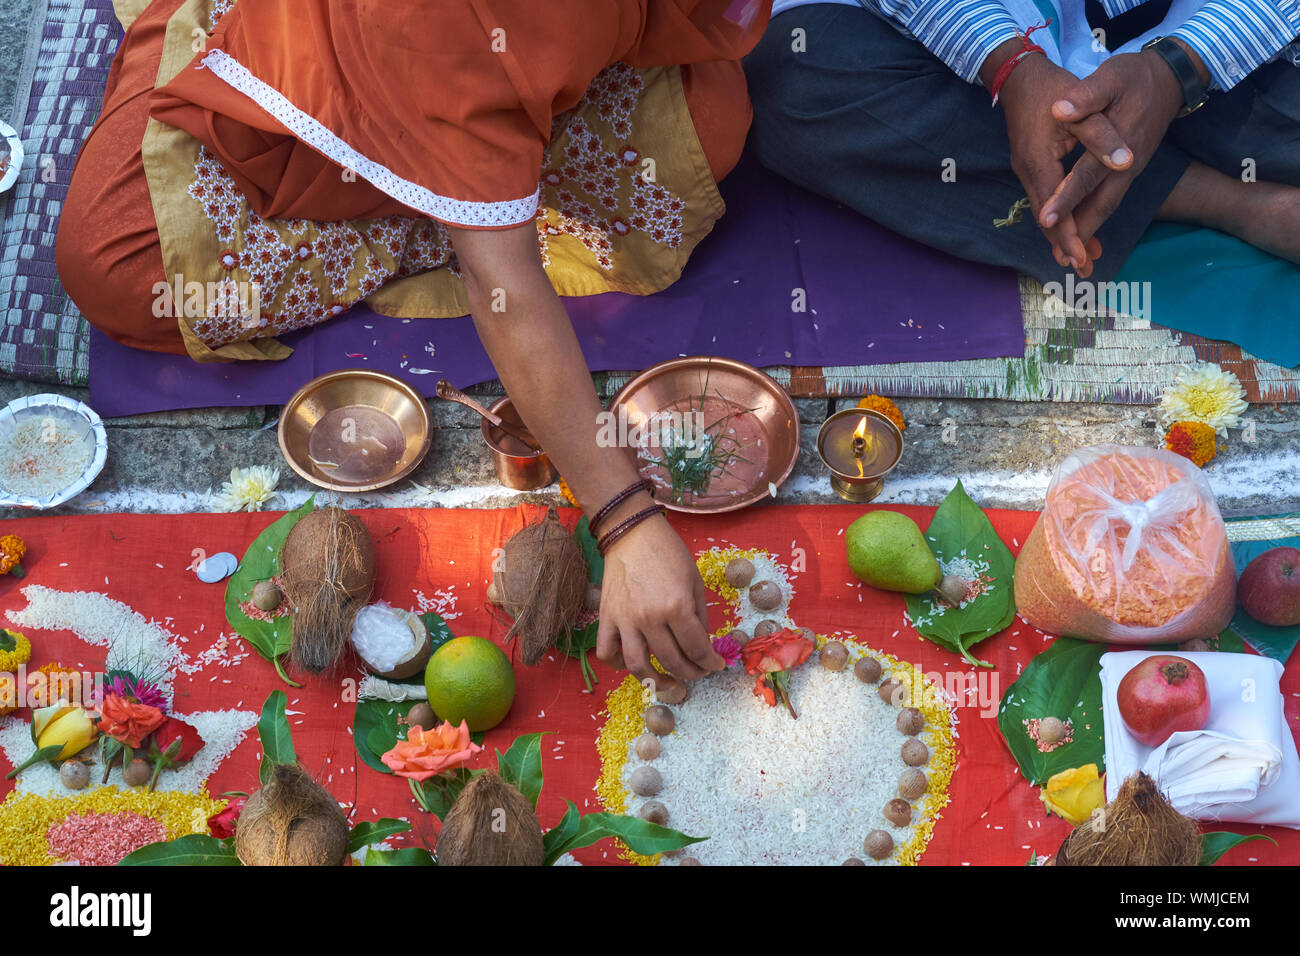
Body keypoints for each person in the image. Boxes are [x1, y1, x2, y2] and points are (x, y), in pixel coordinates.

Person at [57, 0, 774, 692]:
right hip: (330, 72)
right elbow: (508, 291)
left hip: (485, 68)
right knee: (120, 268)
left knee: (706, 133)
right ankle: (459, 207)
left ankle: (464, 203)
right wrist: (625, 520)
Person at [745, 0, 1300, 285]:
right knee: (784, 77)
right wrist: (1008, 65)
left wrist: (1181, 66)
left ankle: (1109, 145)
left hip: (1212, 31)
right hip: (969, 31)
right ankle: (1229, 199)